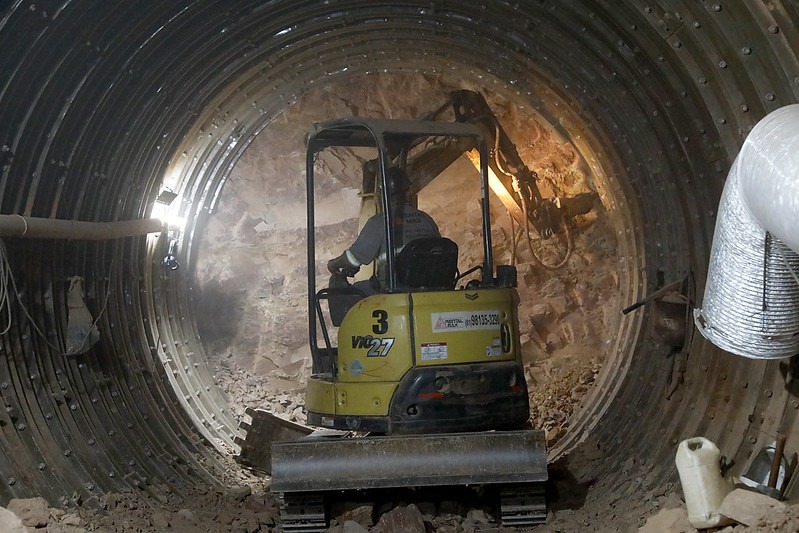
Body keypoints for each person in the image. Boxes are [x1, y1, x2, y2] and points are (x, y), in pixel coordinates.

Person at [327, 167, 440, 292]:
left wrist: (333, 265)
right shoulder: (426, 219)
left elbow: (353, 259)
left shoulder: (379, 222)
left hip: (393, 290)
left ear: (382, 195)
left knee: (344, 293)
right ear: (408, 192)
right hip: (429, 288)